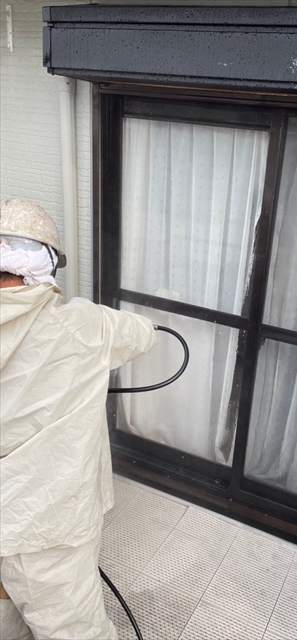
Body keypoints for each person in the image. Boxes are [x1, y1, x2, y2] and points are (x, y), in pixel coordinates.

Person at [0, 198, 157, 639]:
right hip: (45, 524)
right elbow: (143, 333)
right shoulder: (83, 326)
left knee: (5, 609)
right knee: (72, 627)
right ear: (45, 266)